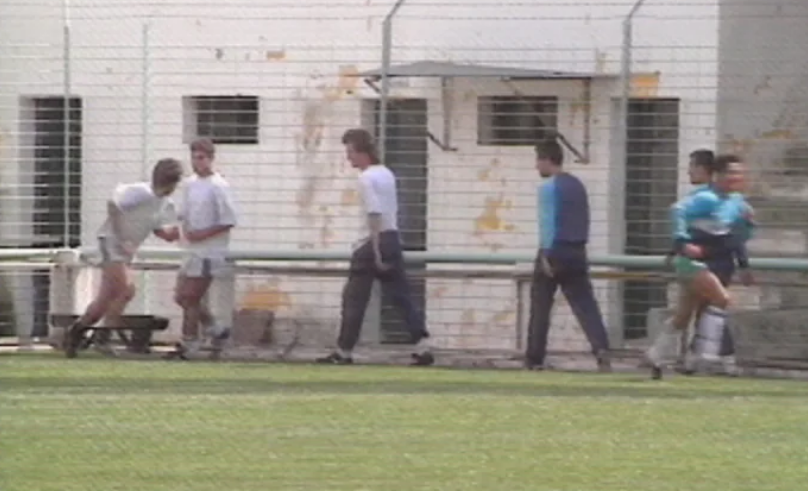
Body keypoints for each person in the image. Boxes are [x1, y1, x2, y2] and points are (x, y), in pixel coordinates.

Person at [316, 128, 434, 366]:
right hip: (392, 237)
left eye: (350, 152)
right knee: (401, 296)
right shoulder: (387, 174)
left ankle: (344, 350)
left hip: (373, 242)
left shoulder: (366, 178)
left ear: (362, 152)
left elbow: (374, 212)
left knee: (354, 299)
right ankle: (422, 345)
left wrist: (376, 250)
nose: (348, 157)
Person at [64, 158, 184, 358]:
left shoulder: (164, 204)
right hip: (112, 242)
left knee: (105, 300)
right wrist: (122, 238)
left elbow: (156, 228)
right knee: (127, 290)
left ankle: (76, 332)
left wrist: (172, 235)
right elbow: (114, 205)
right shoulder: (141, 193)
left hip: (125, 250)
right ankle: (103, 338)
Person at [646, 154, 753, 378]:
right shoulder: (705, 197)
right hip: (692, 262)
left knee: (683, 315)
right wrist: (683, 243)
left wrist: (746, 233)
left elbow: (737, 237)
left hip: (712, 262)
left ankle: (656, 356)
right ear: (718, 174)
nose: (736, 177)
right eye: (732, 172)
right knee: (722, 299)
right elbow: (677, 211)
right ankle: (707, 354)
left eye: (739, 173)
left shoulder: (737, 203)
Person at [524, 138, 611, 372]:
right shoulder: (578, 186)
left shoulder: (549, 187)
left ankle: (534, 357)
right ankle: (601, 349)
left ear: (547, 160)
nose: (536, 167)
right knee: (585, 304)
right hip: (577, 250)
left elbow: (548, 223)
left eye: (538, 160)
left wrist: (545, 253)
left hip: (554, 250)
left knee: (541, 305)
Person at [170, 138, 238, 359]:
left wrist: (203, 233)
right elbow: (184, 213)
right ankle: (216, 329)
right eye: (193, 157)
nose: (196, 162)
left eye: (201, 158)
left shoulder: (219, 186)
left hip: (210, 251)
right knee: (181, 297)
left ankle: (189, 343)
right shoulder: (190, 184)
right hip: (191, 250)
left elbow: (228, 220)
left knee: (190, 297)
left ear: (210, 159)